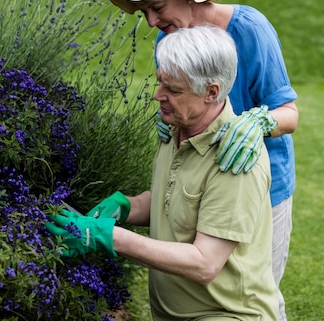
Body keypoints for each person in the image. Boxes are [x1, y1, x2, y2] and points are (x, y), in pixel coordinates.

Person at [107, 0, 299, 321]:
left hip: (256, 176)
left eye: (157, 8)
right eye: (145, 11)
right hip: (197, 160)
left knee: (249, 284)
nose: (150, 22)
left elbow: (289, 112)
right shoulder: (169, 38)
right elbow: (181, 95)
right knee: (197, 282)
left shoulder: (250, 30)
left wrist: (256, 122)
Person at [47, 25, 279, 321]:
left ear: (211, 92)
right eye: (160, 83)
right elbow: (175, 202)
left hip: (227, 314)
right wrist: (127, 205)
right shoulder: (176, 130)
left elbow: (204, 263)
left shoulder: (235, 160)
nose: (158, 96)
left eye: (173, 89)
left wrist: (110, 237)